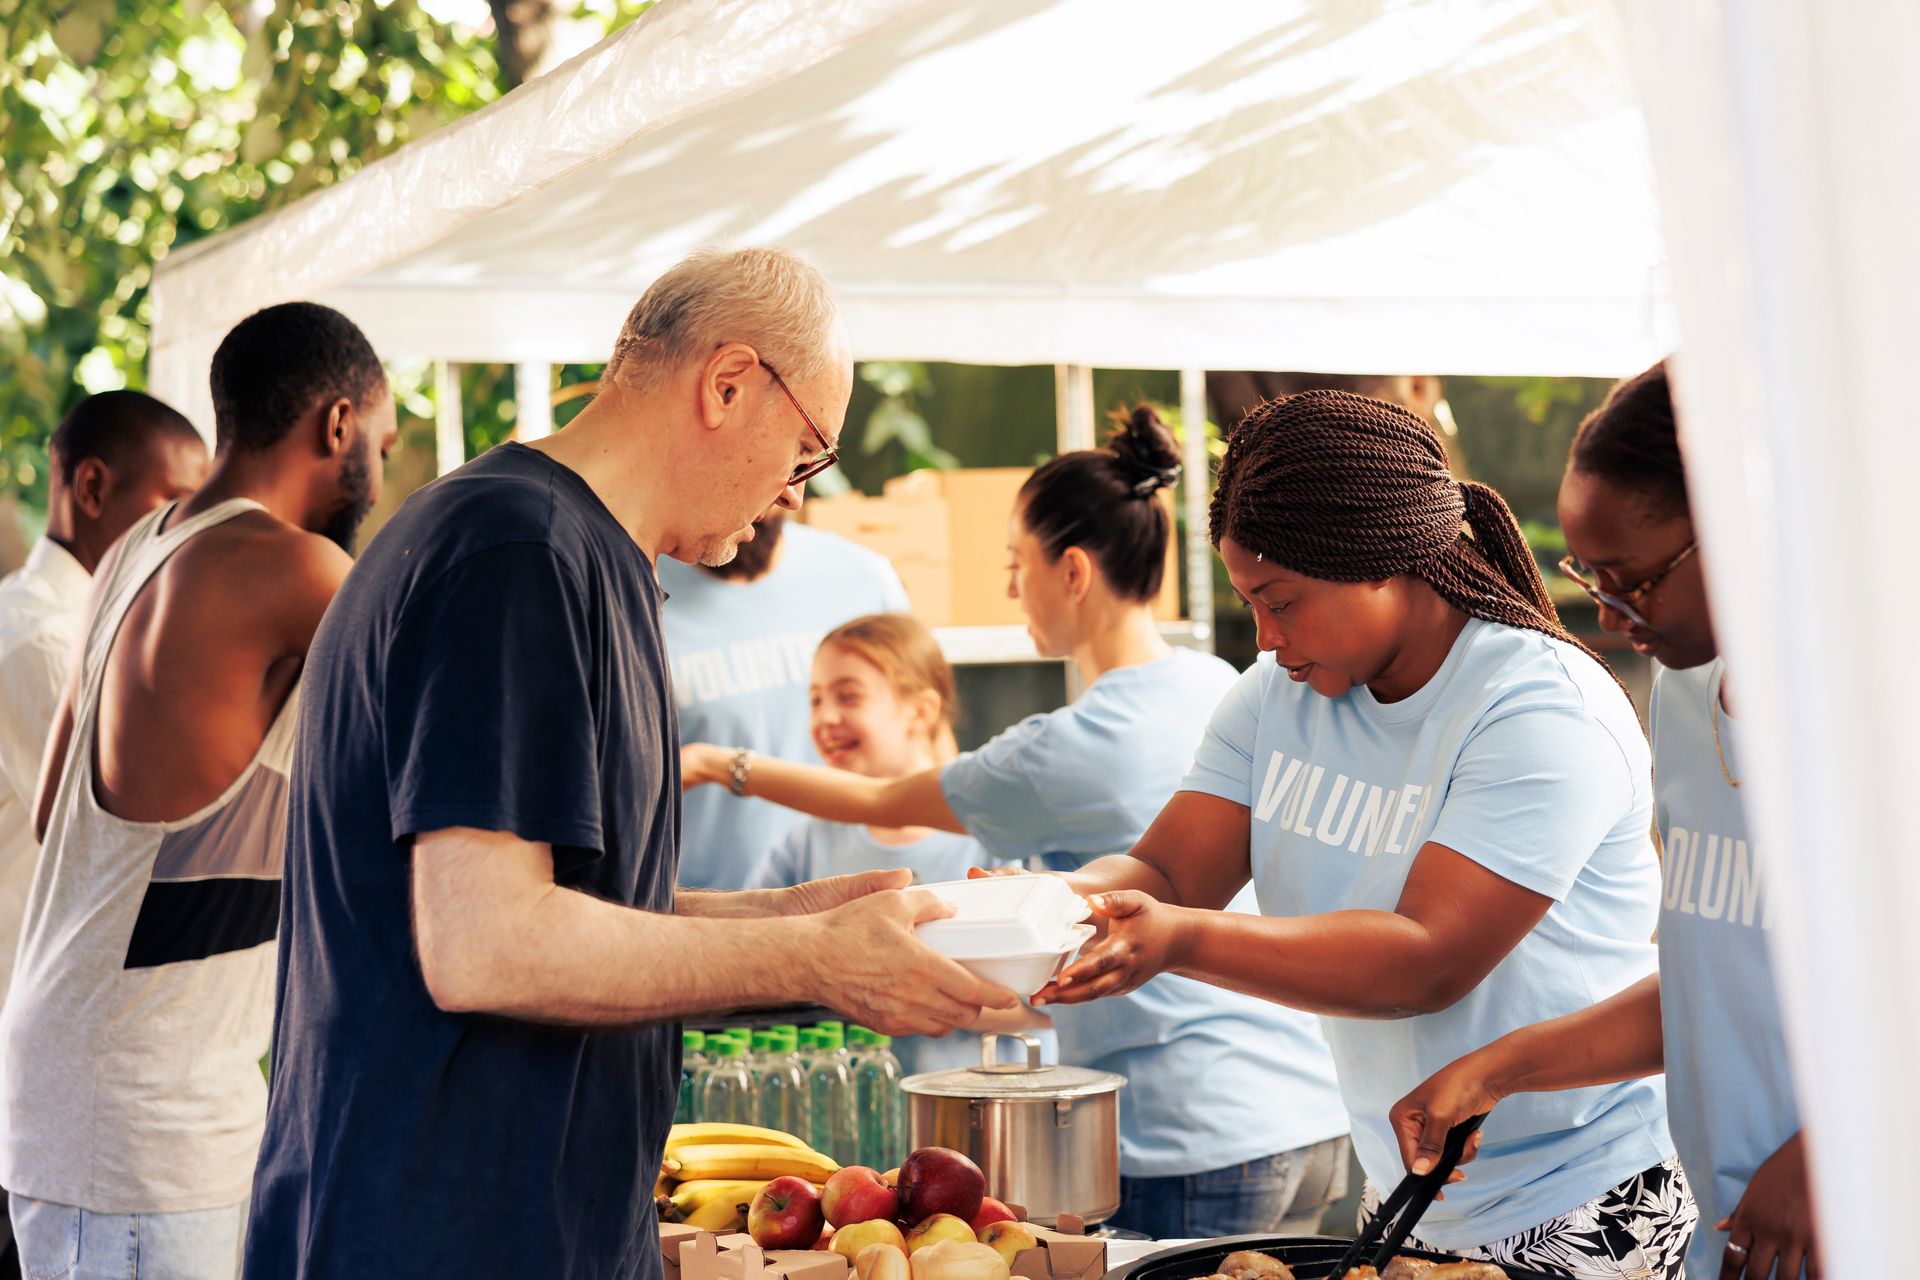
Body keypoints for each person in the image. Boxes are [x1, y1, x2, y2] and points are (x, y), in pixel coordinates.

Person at [241, 248, 1015, 1280]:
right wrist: (813, 957)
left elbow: (590, 910)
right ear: (729, 383)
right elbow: (486, 941)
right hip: (438, 1228)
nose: (793, 492)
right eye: (808, 449)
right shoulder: (515, 551)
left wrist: (823, 915)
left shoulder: (591, 556)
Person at [1025, 391, 1695, 1276]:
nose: (1264, 639)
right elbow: (1168, 873)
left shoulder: (1538, 706)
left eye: (1282, 601)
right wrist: (1029, 907)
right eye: (1249, 603)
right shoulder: (1278, 695)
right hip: (1409, 1191)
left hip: (1584, 1201)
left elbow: (1427, 957)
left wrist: (1177, 941)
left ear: (1383, 562)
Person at [686, 407, 1353, 1240]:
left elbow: (882, 799)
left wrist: (718, 764)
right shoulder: (1212, 680)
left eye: (1015, 565)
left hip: (1192, 1126)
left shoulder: (1072, 746)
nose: (1010, 590)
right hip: (1307, 1107)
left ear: (1072, 572)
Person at [1390, 362, 1813, 1279]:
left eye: (1634, 581)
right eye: (1591, 577)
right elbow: (1716, 992)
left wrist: (1825, 1156)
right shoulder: (1681, 694)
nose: (1612, 620)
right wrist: (1497, 1068)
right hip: (1729, 1239)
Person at [0, 302, 396, 1280]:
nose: (380, 477)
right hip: (142, 1124)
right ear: (337, 426)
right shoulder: (298, 565)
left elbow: (58, 814)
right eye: (383, 445)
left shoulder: (136, 550)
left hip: (70, 1089)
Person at [0, 389, 208, 1277]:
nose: (187, 535)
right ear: (91, 486)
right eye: (173, 505)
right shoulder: (43, 641)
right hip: (47, 1044)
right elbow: (114, 842)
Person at [746, 612, 1052, 1076]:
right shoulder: (806, 841)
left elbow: (1038, 1006)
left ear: (921, 710)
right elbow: (755, 955)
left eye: (848, 696)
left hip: (977, 1100)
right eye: (815, 700)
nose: (826, 717)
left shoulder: (992, 840)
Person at [662, 513, 908, 889]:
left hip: (853, 901)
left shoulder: (864, 579)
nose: (780, 498)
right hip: (699, 912)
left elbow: (924, 739)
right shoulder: (632, 589)